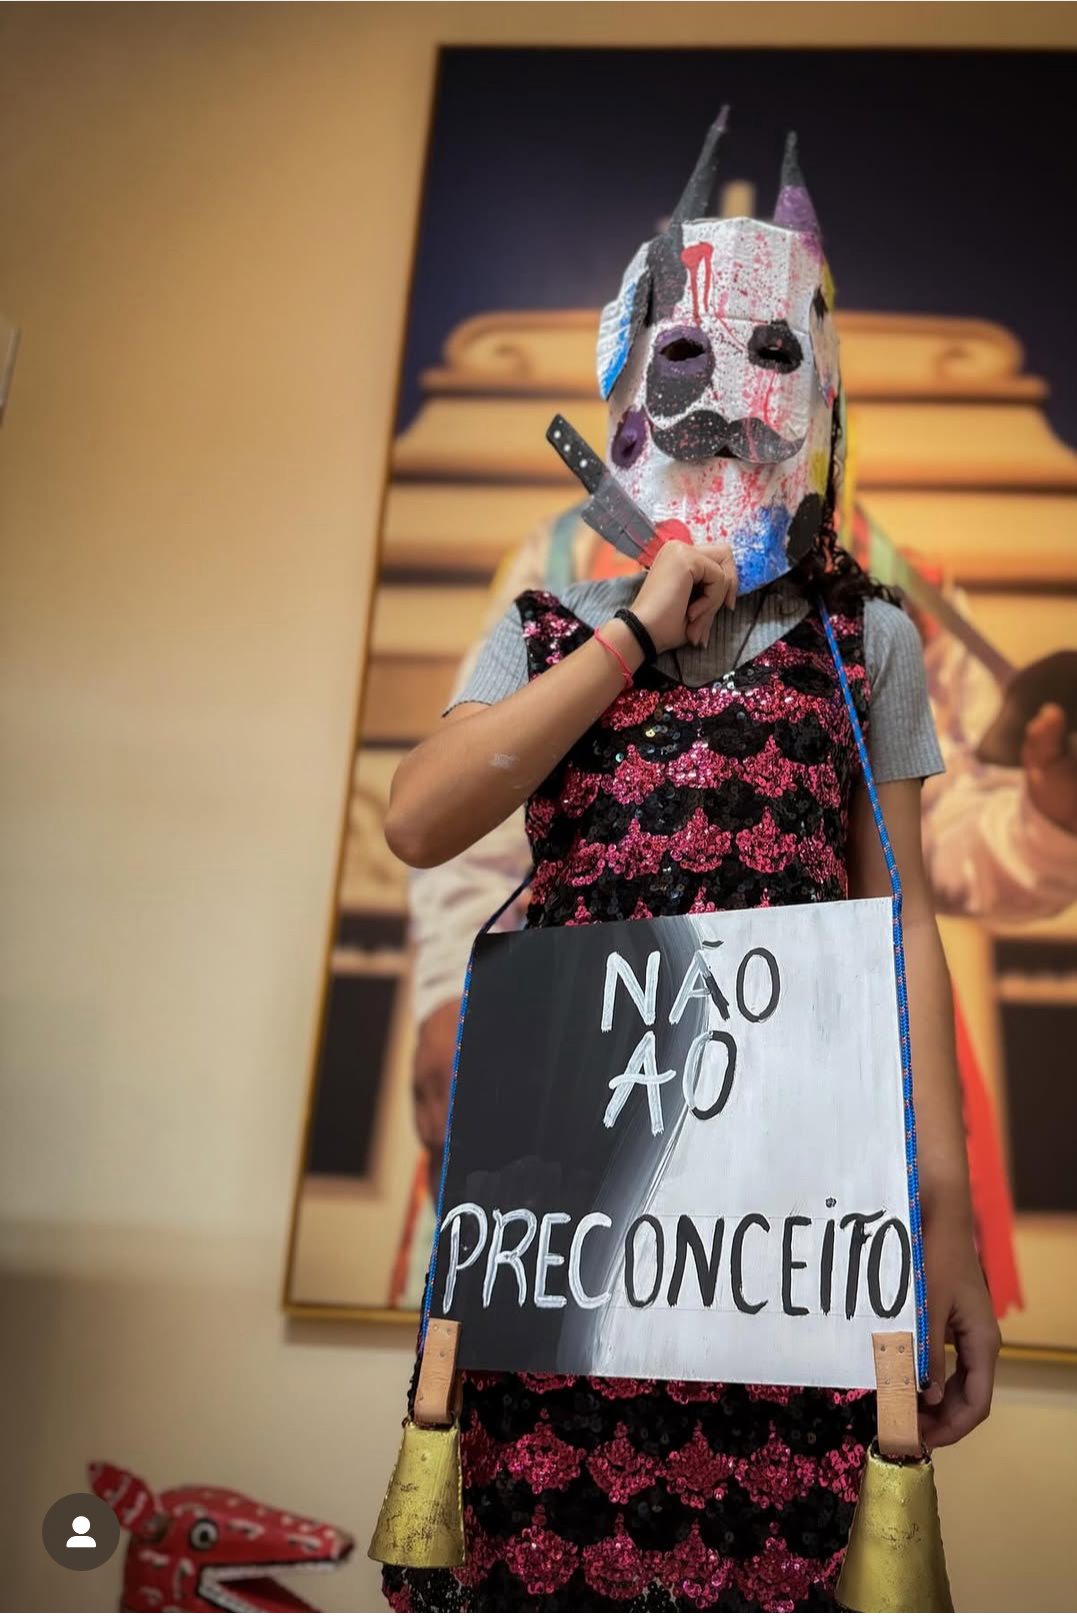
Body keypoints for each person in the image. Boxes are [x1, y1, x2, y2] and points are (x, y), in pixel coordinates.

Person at [382, 117, 999, 1611]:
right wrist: (634, 632)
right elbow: (420, 819)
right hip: (564, 1204)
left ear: (819, 389)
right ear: (626, 383)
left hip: (778, 1217)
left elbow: (903, 927)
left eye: (770, 355)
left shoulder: (867, 642)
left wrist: (947, 1213)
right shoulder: (544, 630)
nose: (726, 400)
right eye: (685, 358)